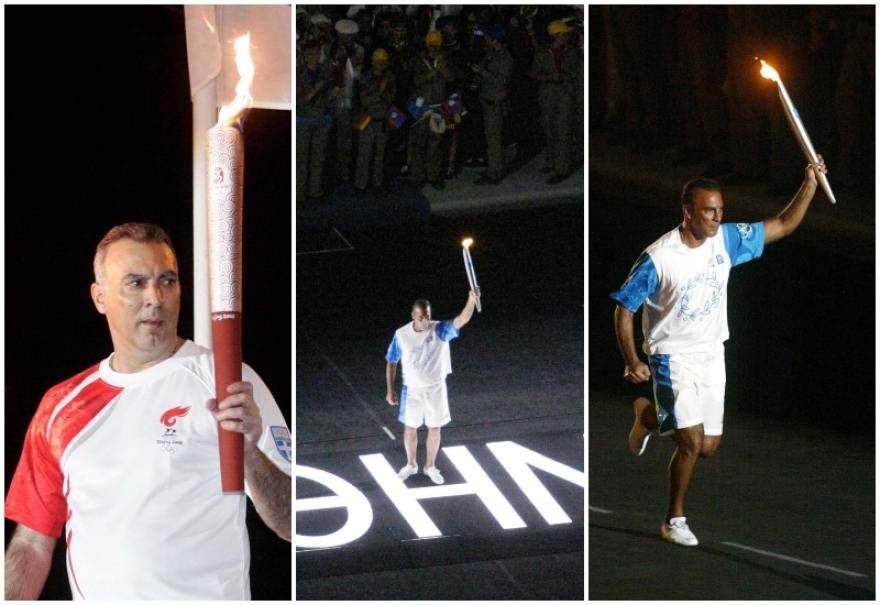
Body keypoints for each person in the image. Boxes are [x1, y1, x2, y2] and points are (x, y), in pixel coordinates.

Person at [4, 223, 292, 599]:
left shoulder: (226, 381)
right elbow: (31, 543)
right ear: (100, 297)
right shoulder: (60, 407)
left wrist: (250, 454)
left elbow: (292, 521)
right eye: (136, 283)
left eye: (167, 281)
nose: (155, 298)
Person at [610, 158, 828, 546]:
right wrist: (632, 360)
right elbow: (623, 309)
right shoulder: (658, 258)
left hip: (712, 355)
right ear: (687, 211)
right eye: (709, 210)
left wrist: (810, 183)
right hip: (671, 357)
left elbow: (783, 224)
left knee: (708, 447)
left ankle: (647, 415)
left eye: (720, 210)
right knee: (691, 442)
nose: (717, 217)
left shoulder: (725, 240)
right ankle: (673, 520)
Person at [385, 290, 480, 485]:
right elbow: (392, 361)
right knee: (410, 428)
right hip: (411, 389)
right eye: (421, 318)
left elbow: (462, 319)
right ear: (413, 315)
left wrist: (471, 300)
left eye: (427, 317)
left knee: (434, 428)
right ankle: (411, 464)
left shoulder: (439, 330)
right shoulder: (401, 335)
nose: (425, 321)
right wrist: (390, 389)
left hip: (436, 388)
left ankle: (430, 466)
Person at [529, 20, 580, 185]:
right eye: (565, 33)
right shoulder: (543, 53)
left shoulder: (571, 52)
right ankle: (551, 161)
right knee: (549, 129)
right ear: (557, 35)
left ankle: (562, 168)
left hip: (564, 95)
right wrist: (549, 77)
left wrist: (563, 76)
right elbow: (534, 73)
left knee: (562, 131)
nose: (568, 36)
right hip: (547, 96)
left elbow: (575, 73)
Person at [472, 23, 513, 186]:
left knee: (494, 139)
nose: (485, 39)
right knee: (491, 138)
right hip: (487, 99)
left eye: (488, 37)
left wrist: (483, 72)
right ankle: (493, 167)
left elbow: (501, 82)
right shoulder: (491, 54)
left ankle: (495, 173)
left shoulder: (505, 57)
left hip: (495, 102)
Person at [354, 48, 397, 195]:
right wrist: (379, 92)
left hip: (383, 119)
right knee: (364, 154)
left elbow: (391, 98)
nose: (381, 66)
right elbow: (365, 100)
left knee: (380, 154)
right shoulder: (365, 77)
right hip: (368, 119)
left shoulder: (389, 77)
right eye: (379, 63)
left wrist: (378, 95)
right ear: (373, 62)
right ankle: (361, 185)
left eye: (383, 63)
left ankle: (377, 183)